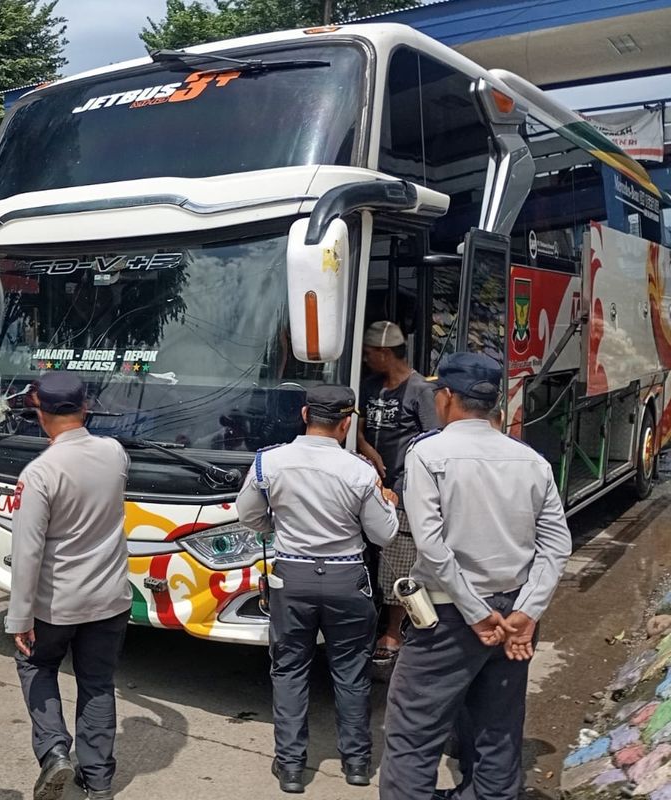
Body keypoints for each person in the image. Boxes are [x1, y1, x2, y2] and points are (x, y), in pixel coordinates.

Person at [378, 352, 572, 800]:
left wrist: (476, 611)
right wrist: (527, 610)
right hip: (516, 618)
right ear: (494, 404)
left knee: (413, 730)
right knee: (499, 725)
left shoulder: (428, 453)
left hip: (449, 617)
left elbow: (431, 545)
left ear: (445, 397)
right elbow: (556, 545)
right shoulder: (532, 460)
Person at [237, 384, 399, 794]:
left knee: (289, 669)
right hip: (347, 579)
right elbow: (383, 535)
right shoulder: (360, 471)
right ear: (346, 423)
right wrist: (389, 503)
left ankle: (291, 767)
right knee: (351, 672)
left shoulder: (267, 462)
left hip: (292, 578)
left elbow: (250, 516)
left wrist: (282, 526)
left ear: (305, 414)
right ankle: (358, 764)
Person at [6, 372, 132, 800]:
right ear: (85, 408)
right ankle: (97, 781)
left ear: (40, 415)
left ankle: (55, 750)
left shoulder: (40, 472)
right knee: (97, 683)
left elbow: (27, 551)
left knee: (36, 666)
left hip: (55, 602)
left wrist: (19, 616)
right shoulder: (115, 453)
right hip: (110, 598)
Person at [356, 321, 438, 663]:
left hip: (402, 489)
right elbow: (356, 426)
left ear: (385, 353)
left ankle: (393, 632)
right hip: (368, 484)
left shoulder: (420, 391)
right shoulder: (371, 385)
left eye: (369, 354)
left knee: (398, 561)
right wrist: (367, 451)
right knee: (371, 556)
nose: (365, 360)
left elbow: (433, 442)